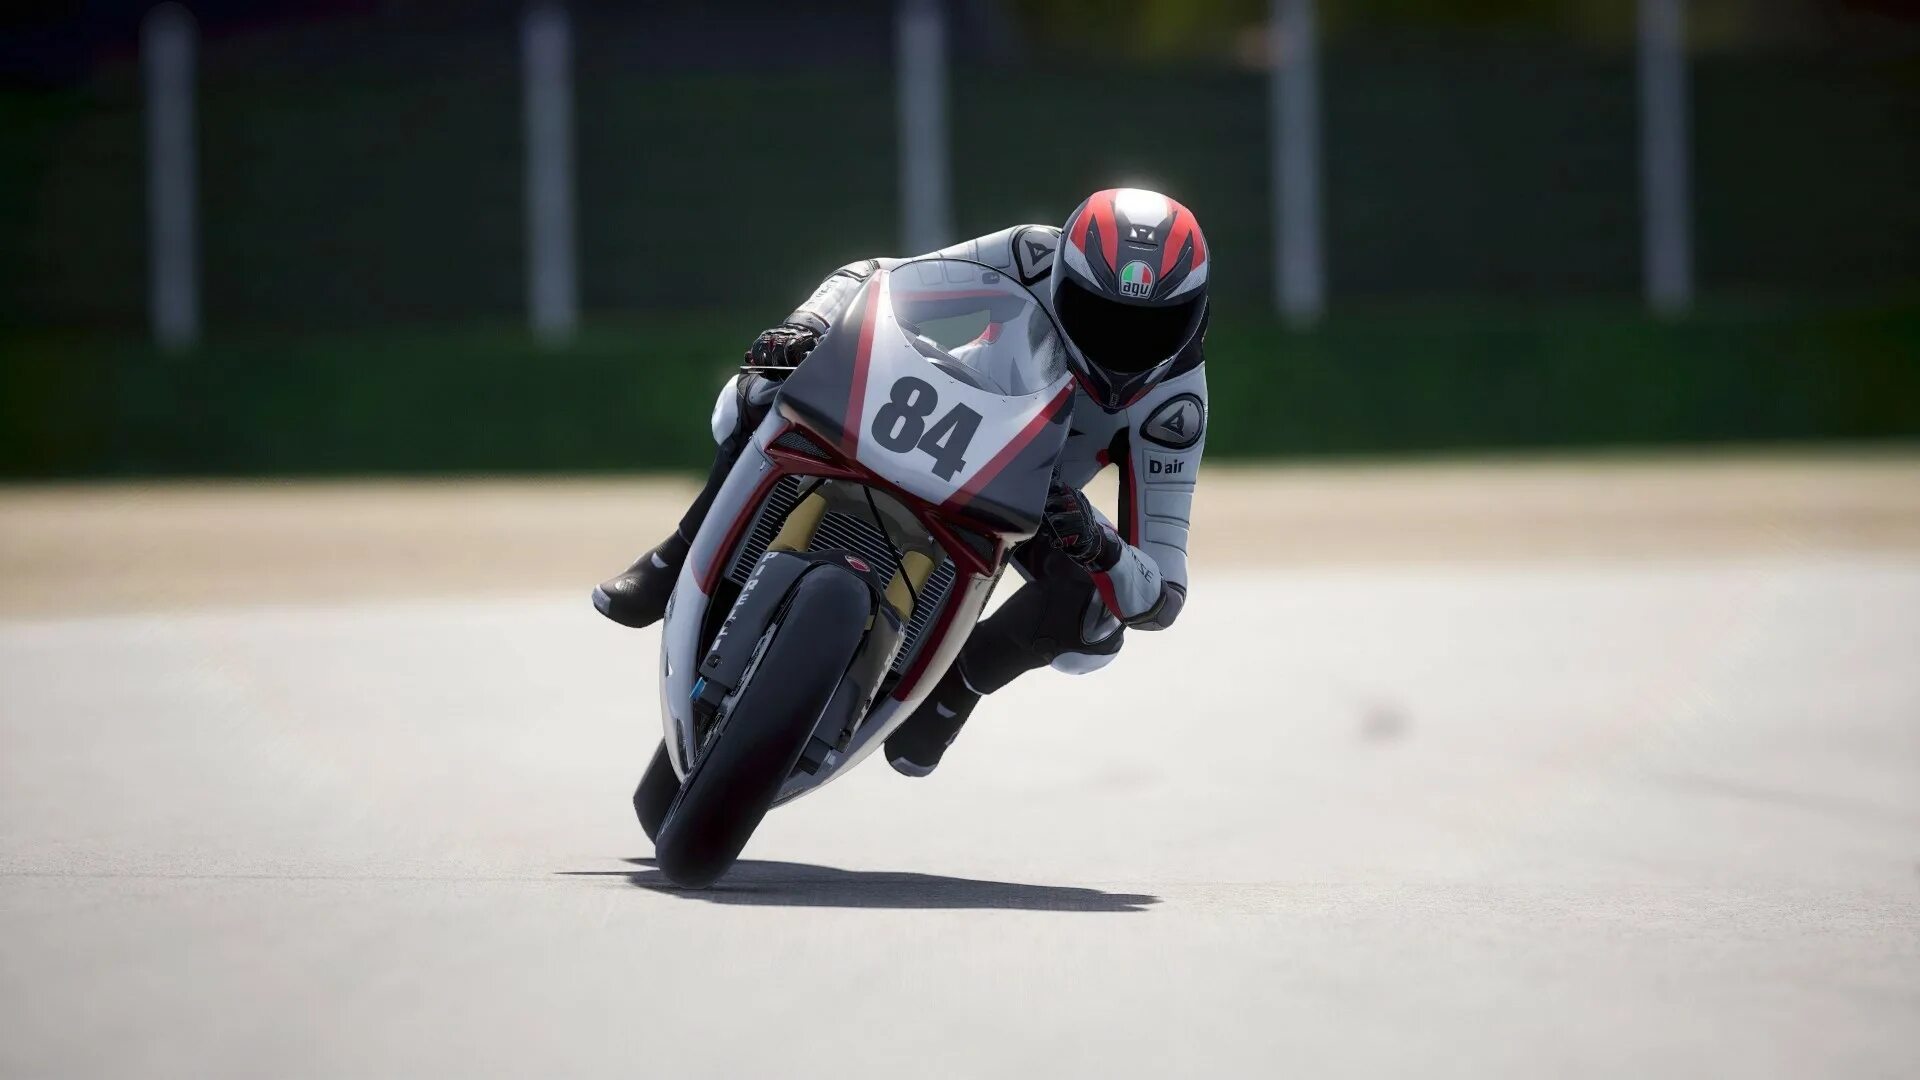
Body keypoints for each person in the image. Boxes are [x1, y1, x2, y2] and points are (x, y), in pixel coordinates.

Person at [594, 188, 1211, 776]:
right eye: (1100, 314)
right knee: (753, 395)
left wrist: (1097, 546)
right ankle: (676, 555)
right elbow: (876, 276)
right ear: (1063, 278)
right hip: (936, 410)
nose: (1122, 343)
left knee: (1096, 627)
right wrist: (808, 326)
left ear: (1192, 318)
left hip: (1030, 499)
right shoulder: (1032, 253)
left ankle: (957, 684)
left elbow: (1163, 593)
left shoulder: (1177, 408)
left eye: (1151, 327)